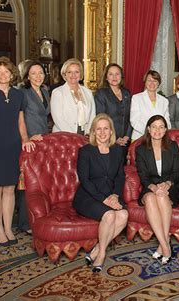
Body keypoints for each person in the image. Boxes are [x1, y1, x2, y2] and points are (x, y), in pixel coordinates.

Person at [0, 56, 35, 247]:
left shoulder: (19, 96)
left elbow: (20, 122)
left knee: (10, 189)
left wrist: (25, 139)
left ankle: (8, 227)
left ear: (12, 74)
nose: (3, 75)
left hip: (12, 147)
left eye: (6, 71)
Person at [73, 114, 128, 273]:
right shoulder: (85, 151)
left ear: (111, 131)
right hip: (88, 196)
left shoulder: (117, 150)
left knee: (123, 215)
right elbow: (85, 180)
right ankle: (102, 254)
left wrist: (116, 195)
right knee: (110, 215)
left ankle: (98, 248)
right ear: (93, 132)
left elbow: (120, 177)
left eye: (106, 128)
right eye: (99, 129)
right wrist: (105, 200)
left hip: (111, 195)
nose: (102, 132)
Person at [135, 115, 179, 264]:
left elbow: (177, 171)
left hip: (170, 186)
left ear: (166, 130)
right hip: (150, 186)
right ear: (148, 129)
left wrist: (167, 184)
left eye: (161, 127)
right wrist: (154, 188)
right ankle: (165, 245)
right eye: (154, 126)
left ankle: (163, 243)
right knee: (149, 198)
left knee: (161, 196)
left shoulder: (173, 146)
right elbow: (143, 175)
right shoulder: (141, 149)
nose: (157, 130)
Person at [18, 60, 51, 234]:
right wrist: (27, 137)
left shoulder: (45, 91)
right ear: (27, 76)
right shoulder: (23, 93)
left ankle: (38, 217)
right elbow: (19, 117)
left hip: (44, 142)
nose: (38, 76)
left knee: (40, 182)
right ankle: (24, 223)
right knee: (27, 182)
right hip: (30, 143)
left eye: (41, 73)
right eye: (34, 73)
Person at [95, 63, 132, 162]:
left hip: (125, 142)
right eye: (111, 74)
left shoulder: (127, 93)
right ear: (106, 77)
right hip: (108, 141)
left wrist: (127, 136)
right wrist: (113, 138)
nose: (114, 77)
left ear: (121, 77)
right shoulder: (101, 94)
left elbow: (131, 117)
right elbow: (101, 118)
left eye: (117, 74)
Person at [51, 58, 95, 135]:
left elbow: (92, 115)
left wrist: (88, 133)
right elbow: (58, 119)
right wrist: (73, 136)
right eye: (69, 72)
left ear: (81, 74)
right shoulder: (57, 93)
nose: (73, 75)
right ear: (65, 74)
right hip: (64, 135)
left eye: (76, 72)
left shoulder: (88, 92)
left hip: (85, 134)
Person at [130, 70, 171, 140]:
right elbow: (134, 120)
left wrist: (161, 133)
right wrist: (150, 133)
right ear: (145, 82)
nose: (152, 83)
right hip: (140, 137)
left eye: (155, 80)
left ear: (158, 83)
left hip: (159, 137)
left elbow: (167, 122)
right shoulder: (136, 98)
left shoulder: (164, 101)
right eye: (149, 80)